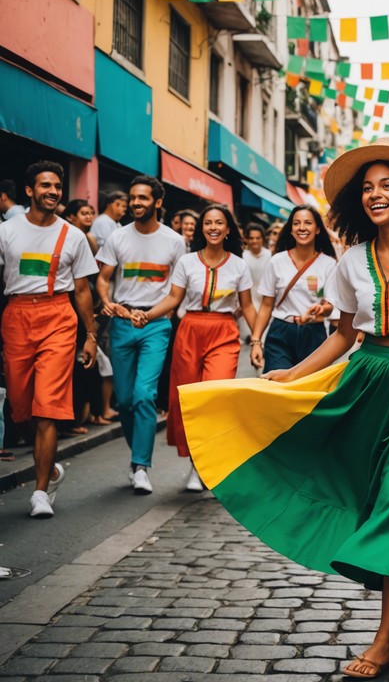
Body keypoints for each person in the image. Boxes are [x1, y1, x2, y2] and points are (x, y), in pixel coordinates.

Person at [178, 136, 389, 679]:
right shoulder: (350, 260)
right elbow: (344, 336)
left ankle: (382, 642)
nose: (376, 194)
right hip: (365, 384)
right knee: (369, 501)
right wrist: (293, 375)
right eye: (368, 188)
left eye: (387, 186)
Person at [131, 205, 259, 492]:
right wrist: (147, 314)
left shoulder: (239, 265)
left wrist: (258, 341)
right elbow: (173, 298)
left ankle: (206, 467)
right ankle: (196, 464)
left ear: (228, 230)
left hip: (224, 331)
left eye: (219, 223)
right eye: (208, 223)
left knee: (214, 397)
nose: (213, 227)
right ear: (202, 229)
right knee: (188, 400)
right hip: (189, 330)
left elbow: (248, 306)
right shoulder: (187, 262)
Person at [0, 161, 98, 517]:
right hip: (17, 316)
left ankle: (40, 492)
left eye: (57, 186)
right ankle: (52, 469)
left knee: (47, 408)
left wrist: (90, 336)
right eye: (45, 186)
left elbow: (84, 290)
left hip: (58, 317)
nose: (53, 192)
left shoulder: (73, 235)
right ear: (29, 191)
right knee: (20, 404)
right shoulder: (7, 232)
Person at [95, 175, 186, 495]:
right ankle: (138, 459)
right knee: (124, 400)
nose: (135, 203)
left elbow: (178, 289)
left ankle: (141, 465)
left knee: (144, 395)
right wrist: (108, 303)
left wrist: (159, 314)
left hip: (155, 324)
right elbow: (103, 278)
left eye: (143, 198)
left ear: (158, 203)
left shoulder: (175, 241)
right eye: (133, 197)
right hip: (121, 322)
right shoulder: (117, 238)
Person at [250, 207, 337, 373]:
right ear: (291, 230)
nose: (302, 227)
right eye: (296, 223)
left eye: (308, 223)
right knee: (278, 387)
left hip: (314, 334)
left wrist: (321, 308)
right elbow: (266, 305)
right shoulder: (277, 261)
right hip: (280, 333)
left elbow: (330, 304)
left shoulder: (328, 264)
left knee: (309, 391)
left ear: (318, 229)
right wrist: (256, 341)